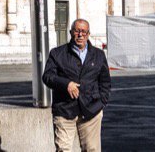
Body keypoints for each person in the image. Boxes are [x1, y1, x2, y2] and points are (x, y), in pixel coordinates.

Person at [41, 18, 110, 152]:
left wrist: (102, 102)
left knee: (92, 149)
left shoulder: (98, 55)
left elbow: (105, 82)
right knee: (63, 149)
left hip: (91, 110)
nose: (80, 35)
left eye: (83, 32)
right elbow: (47, 76)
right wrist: (66, 84)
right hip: (65, 109)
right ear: (70, 32)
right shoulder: (57, 53)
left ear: (88, 34)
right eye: (77, 31)